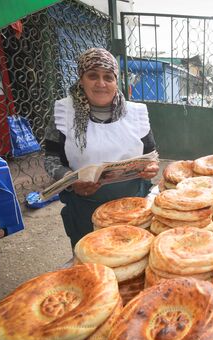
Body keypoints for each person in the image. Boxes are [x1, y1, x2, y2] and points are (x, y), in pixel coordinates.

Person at [44, 48, 159, 247]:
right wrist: (71, 181)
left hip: (134, 206)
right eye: (92, 76)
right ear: (81, 79)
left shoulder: (136, 114)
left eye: (108, 77)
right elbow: (51, 159)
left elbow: (151, 154)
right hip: (85, 208)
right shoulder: (64, 113)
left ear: (116, 81)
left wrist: (151, 168)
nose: (101, 83)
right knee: (92, 264)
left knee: (134, 260)